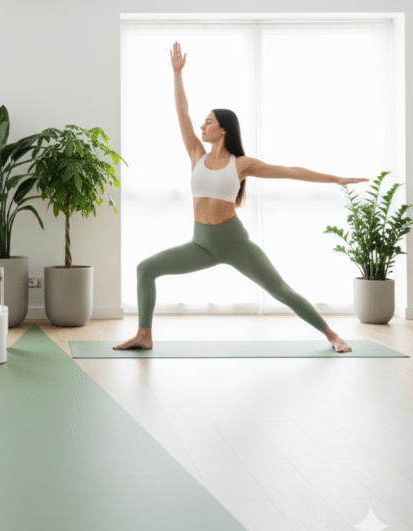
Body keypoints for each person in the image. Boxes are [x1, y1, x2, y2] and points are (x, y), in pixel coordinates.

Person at [115, 42, 367, 353]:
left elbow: (289, 170)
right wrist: (177, 73)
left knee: (280, 291)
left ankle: (333, 335)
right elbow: (182, 110)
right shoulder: (196, 153)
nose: (202, 126)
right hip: (201, 244)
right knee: (146, 268)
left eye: (208, 122)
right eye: (204, 121)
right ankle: (144, 334)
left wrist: (335, 179)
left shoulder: (240, 165)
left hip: (234, 242)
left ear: (222, 130)